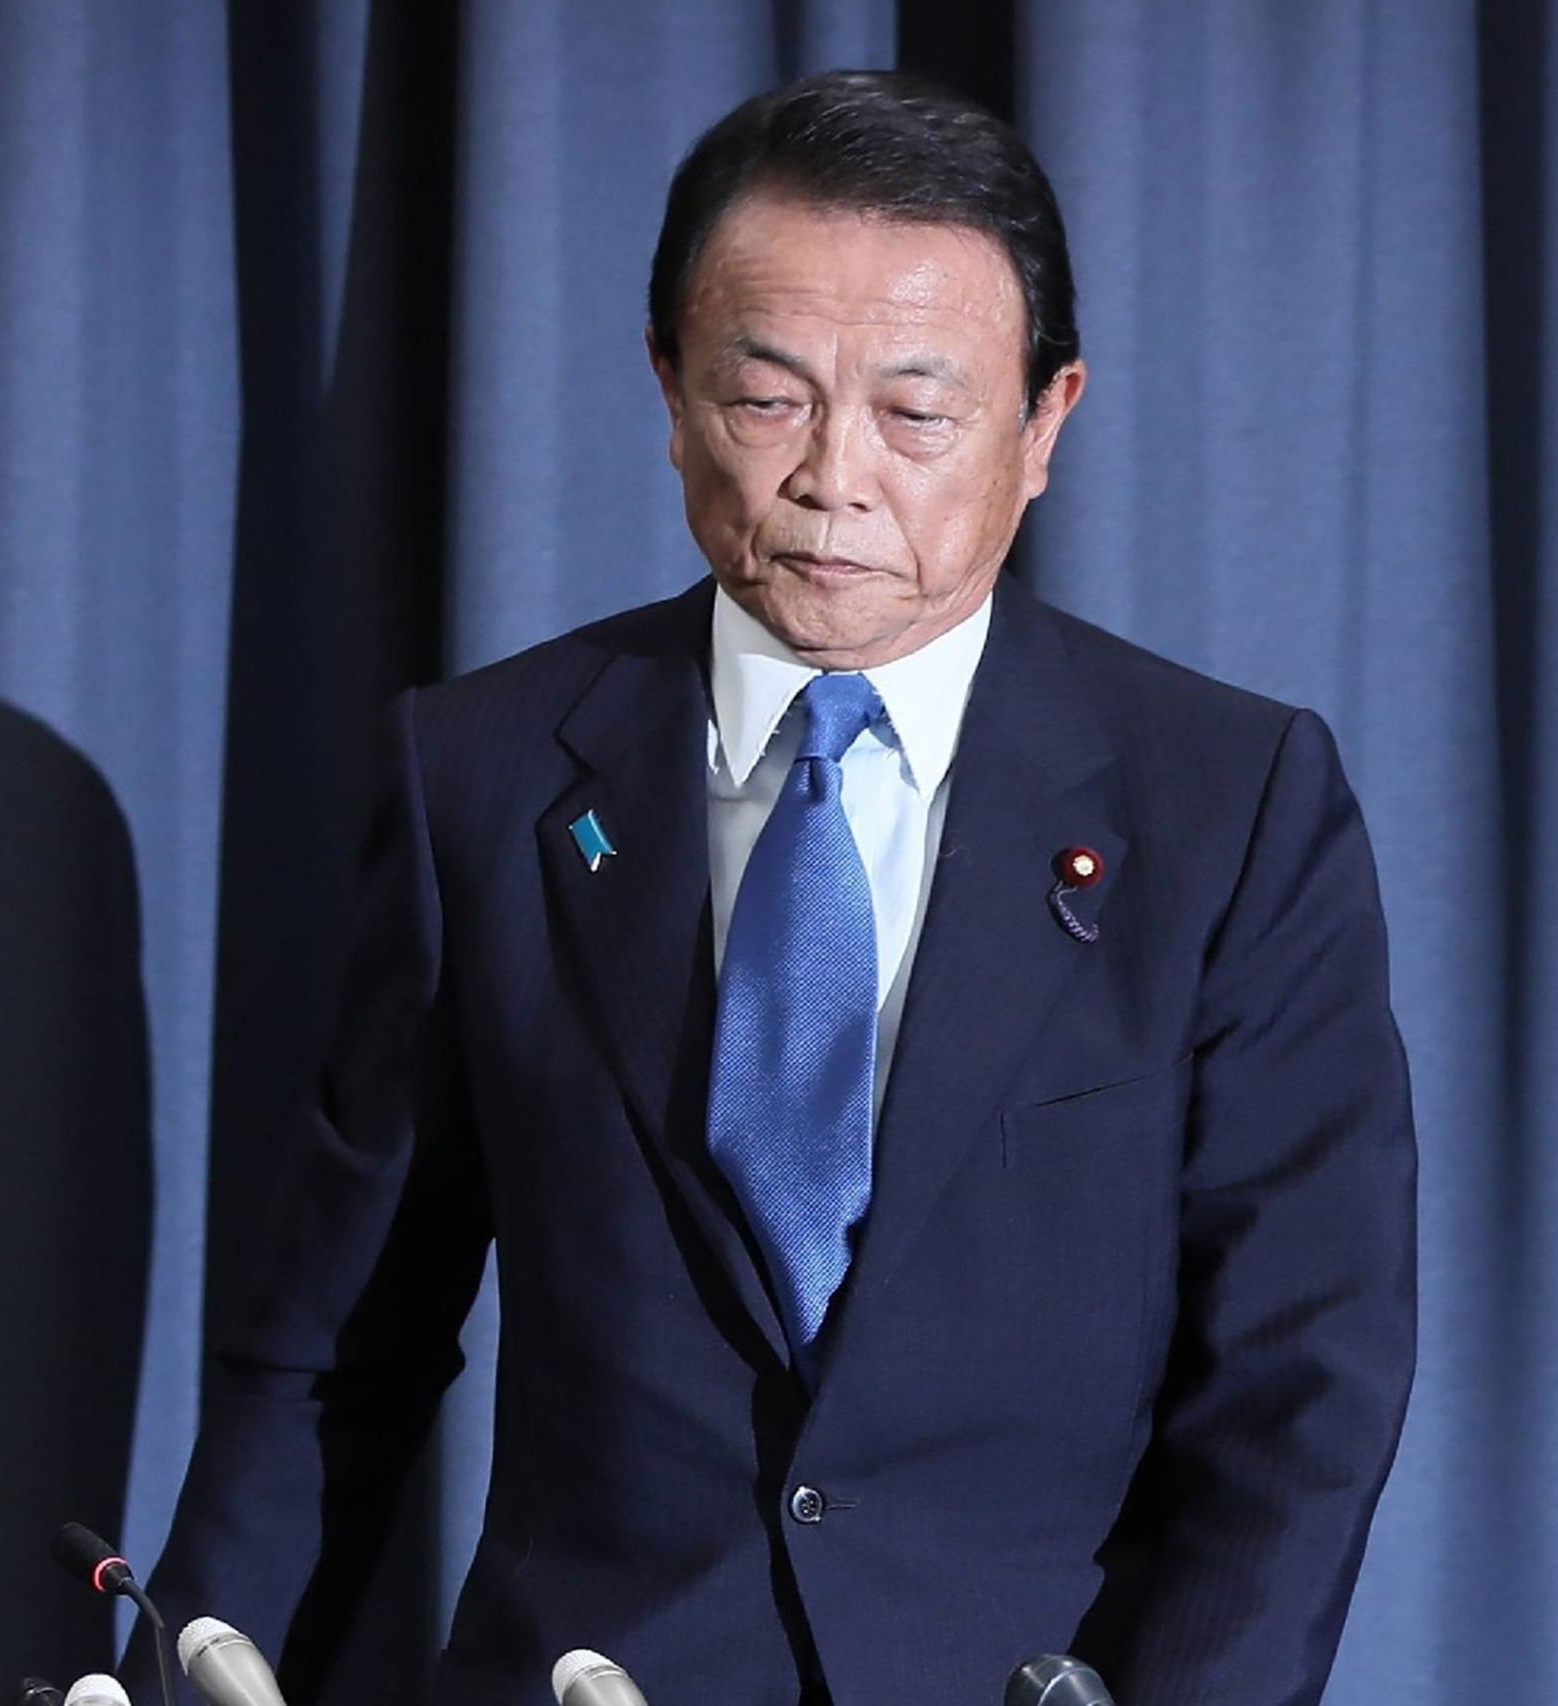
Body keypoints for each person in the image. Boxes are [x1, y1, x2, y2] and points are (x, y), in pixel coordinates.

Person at [140, 70, 1416, 1706]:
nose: (835, 475)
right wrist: (180, 1675)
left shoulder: (1231, 805)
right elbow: (336, 1352)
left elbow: (1303, 1392)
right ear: (669, 391)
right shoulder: (484, 773)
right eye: (768, 398)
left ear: (1045, 426)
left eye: (917, 409)